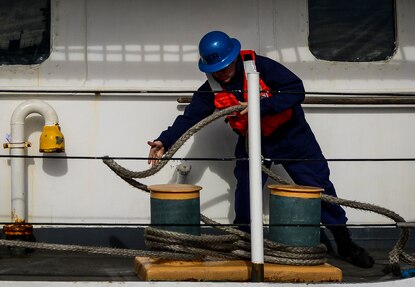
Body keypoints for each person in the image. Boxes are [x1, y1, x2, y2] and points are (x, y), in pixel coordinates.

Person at [147, 31, 374, 268]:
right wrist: (165, 140)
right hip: (253, 142)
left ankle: (344, 243)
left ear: (234, 57)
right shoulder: (211, 88)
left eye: (225, 65)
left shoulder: (261, 67)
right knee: (245, 192)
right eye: (216, 67)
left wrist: (260, 106)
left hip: (292, 136)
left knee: (320, 187)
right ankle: (244, 243)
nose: (222, 72)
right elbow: (190, 118)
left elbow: (296, 89)